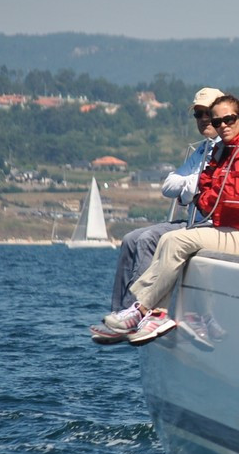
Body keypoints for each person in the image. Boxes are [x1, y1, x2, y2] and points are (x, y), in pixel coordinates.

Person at [100, 93, 239, 345]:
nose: (222, 125)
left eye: (229, 119)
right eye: (217, 122)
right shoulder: (228, 149)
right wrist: (207, 194)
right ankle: (154, 313)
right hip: (238, 229)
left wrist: (203, 198)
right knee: (168, 240)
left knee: (176, 241)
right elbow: (209, 185)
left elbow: (234, 199)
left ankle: (143, 310)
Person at [89, 88, 222, 344]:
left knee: (148, 238)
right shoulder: (202, 150)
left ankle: (137, 315)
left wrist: (188, 188)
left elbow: (194, 188)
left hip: (206, 223)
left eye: (209, 113)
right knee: (130, 239)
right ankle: (122, 313)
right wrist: (189, 188)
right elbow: (169, 186)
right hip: (192, 220)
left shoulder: (226, 148)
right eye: (198, 114)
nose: (204, 119)